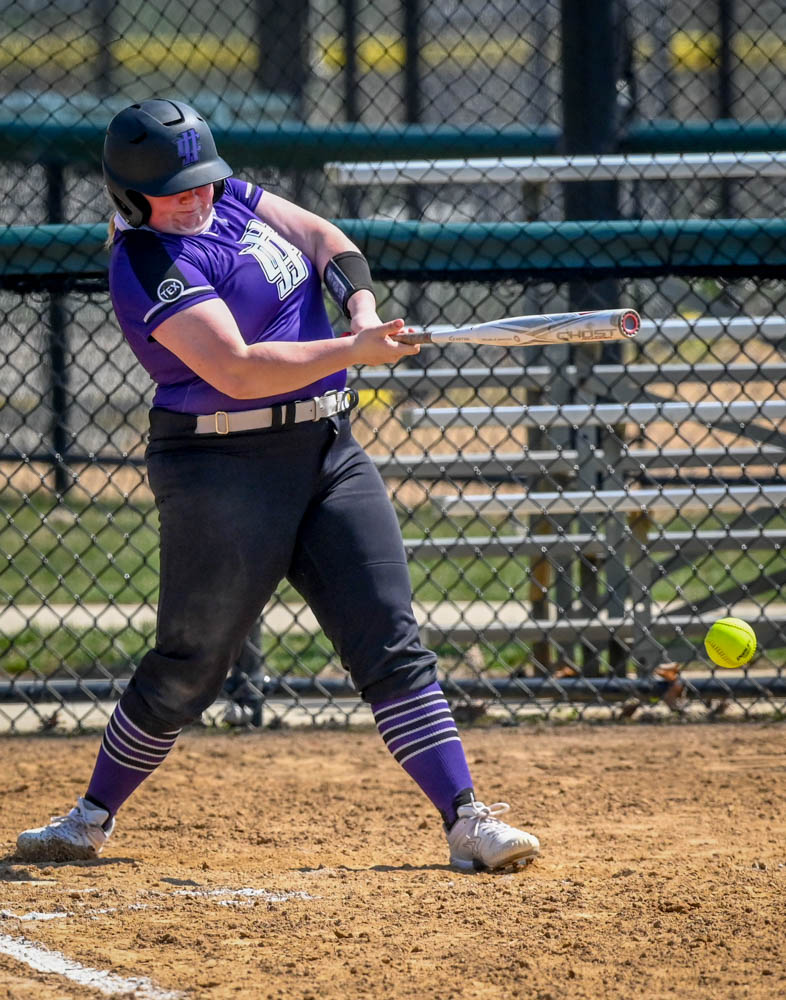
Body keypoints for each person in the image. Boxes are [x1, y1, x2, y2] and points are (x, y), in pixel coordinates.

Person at [15, 99, 539, 873]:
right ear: (130, 194)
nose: (197, 197)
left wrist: (360, 303)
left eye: (203, 179)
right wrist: (352, 349)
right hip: (221, 470)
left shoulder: (229, 198)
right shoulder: (146, 264)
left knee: (389, 638)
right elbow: (235, 368)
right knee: (193, 660)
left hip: (328, 450)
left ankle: (467, 819)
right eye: (176, 187)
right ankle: (90, 817)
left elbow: (327, 241)